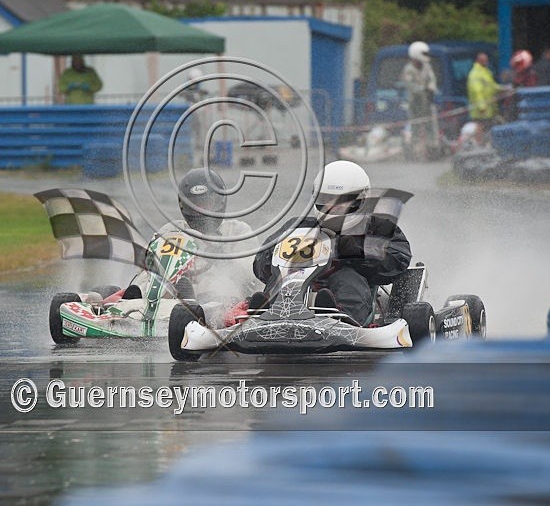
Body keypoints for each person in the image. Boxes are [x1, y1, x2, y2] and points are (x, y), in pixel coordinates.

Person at [252, 160, 412, 324]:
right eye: (327, 199)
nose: (333, 207)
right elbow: (260, 261)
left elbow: (398, 259)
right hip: (301, 281)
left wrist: (356, 252)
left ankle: (340, 316)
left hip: (349, 282)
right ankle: (265, 312)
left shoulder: (379, 228)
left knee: (347, 279)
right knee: (282, 280)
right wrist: (275, 259)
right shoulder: (300, 226)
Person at [126, 168, 260, 302]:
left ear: (221, 201)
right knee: (148, 276)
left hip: (221, 299)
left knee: (213, 282)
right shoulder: (171, 230)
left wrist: (219, 257)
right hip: (173, 296)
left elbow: (251, 274)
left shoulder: (237, 231)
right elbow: (146, 263)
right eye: (195, 205)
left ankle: (193, 302)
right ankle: (132, 299)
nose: (201, 211)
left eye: (207, 203)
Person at [400, 41, 439, 156]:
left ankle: (432, 148)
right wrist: (423, 89)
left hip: (427, 101)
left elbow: (432, 80)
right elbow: (410, 85)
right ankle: (413, 150)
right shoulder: (408, 69)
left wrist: (431, 88)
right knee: (415, 126)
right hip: (414, 102)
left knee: (430, 125)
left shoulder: (427, 67)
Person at [467, 51, 505, 144]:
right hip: (481, 109)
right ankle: (479, 145)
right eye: (484, 60)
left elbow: (491, 86)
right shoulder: (475, 74)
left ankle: (487, 144)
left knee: (488, 127)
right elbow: (477, 92)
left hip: (489, 108)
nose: (487, 62)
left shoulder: (485, 71)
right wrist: (481, 107)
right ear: (479, 61)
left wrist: (503, 89)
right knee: (480, 127)